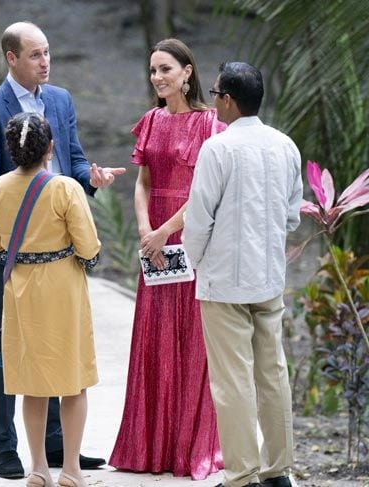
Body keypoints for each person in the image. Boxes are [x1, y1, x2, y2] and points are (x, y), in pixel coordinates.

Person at [0, 21, 123, 479]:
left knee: (57, 344)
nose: (45, 61)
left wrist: (88, 181)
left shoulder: (61, 101)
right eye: (35, 55)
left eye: (48, 52)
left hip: (61, 246)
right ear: (11, 58)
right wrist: (31, 213)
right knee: (8, 346)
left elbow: (71, 163)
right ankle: (6, 448)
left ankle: (56, 449)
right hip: (11, 251)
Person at [182, 62, 303, 487]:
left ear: (227, 100)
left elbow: (198, 221)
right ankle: (278, 471)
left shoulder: (218, 148)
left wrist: (198, 263)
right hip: (269, 278)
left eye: (215, 93)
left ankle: (241, 475)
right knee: (272, 373)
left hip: (224, 282)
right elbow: (291, 219)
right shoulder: (286, 146)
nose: (213, 100)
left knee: (232, 380)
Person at [109, 38, 224, 480]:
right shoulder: (152, 121)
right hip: (153, 240)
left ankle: (188, 448)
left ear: (187, 72)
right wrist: (144, 229)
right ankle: (149, 447)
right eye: (153, 70)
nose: (157, 77)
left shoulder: (210, 124)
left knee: (191, 335)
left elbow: (203, 192)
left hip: (187, 237)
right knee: (155, 333)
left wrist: (163, 231)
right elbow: (143, 182)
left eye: (166, 69)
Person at [0, 113, 100, 487]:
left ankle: (37, 468)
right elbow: (89, 246)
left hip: (21, 293)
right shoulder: (66, 189)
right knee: (73, 382)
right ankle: (70, 469)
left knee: (32, 384)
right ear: (50, 148)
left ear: (10, 149)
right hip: (63, 289)